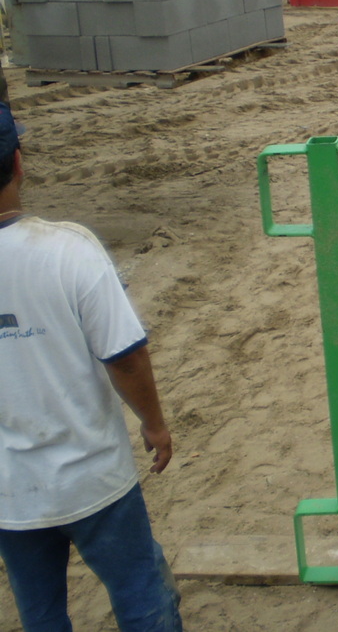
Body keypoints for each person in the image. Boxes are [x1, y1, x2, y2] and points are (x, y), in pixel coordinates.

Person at [0, 102, 183, 632]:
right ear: (19, 161)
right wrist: (154, 424)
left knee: (40, 613)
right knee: (140, 592)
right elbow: (125, 356)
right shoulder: (67, 249)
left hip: (12, 492)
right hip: (92, 475)